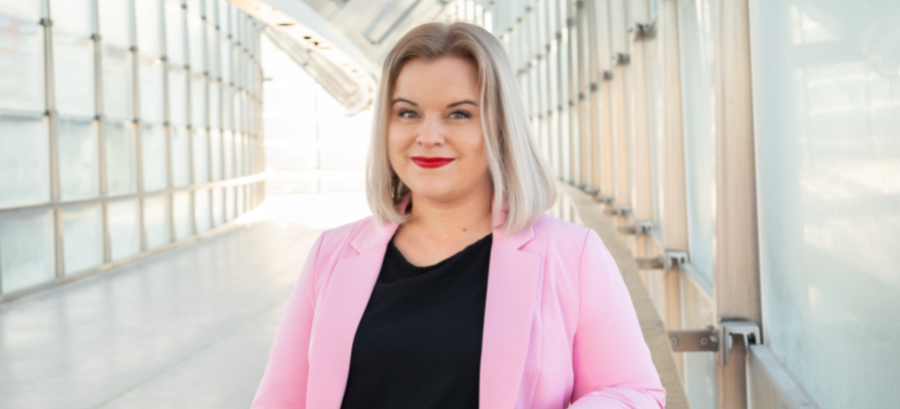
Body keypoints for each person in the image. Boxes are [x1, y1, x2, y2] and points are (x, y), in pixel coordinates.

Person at [251, 21, 665, 409]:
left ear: (500, 127)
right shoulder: (333, 253)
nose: (428, 136)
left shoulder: (572, 254)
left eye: (459, 113)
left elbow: (633, 392)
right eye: (408, 113)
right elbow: (281, 400)